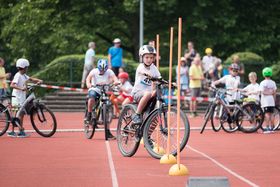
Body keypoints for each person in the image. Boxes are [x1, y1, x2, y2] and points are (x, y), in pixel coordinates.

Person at [85, 59, 119, 139]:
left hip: (104, 90)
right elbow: (88, 78)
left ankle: (108, 132)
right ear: (98, 68)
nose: (102, 72)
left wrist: (116, 82)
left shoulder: (109, 72)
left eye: (104, 70)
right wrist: (89, 84)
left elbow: (115, 78)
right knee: (92, 97)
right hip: (95, 89)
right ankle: (89, 114)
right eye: (101, 70)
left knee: (106, 109)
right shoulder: (94, 71)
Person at [8, 58, 43, 137]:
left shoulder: (23, 75)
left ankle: (17, 131)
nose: (27, 68)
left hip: (21, 97)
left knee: (20, 114)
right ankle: (17, 131)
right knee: (18, 114)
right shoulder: (18, 75)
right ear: (24, 67)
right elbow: (12, 85)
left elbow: (30, 79)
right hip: (17, 97)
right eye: (27, 67)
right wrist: (22, 89)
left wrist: (38, 80)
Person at [131, 45, 161, 125]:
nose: (149, 60)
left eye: (151, 58)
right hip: (137, 93)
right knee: (148, 94)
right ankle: (137, 114)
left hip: (148, 94)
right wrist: (148, 75)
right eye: (147, 57)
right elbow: (142, 72)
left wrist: (168, 83)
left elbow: (159, 77)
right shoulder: (141, 67)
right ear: (142, 57)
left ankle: (146, 136)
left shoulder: (154, 68)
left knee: (156, 93)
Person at [259, 67, 277, 133]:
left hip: (265, 101)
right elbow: (274, 92)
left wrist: (267, 93)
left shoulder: (262, 83)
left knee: (266, 114)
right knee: (271, 114)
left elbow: (262, 92)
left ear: (263, 74)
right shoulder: (273, 82)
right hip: (271, 100)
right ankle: (272, 127)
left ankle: (267, 128)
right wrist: (274, 100)